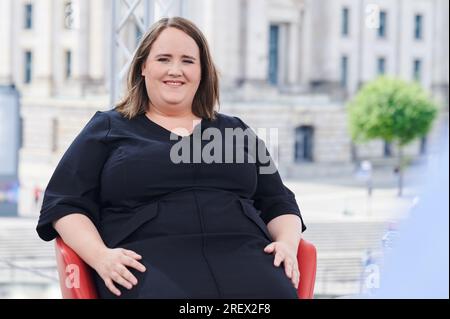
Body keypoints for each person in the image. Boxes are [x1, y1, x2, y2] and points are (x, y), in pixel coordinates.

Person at [36, 17, 306, 299]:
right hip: (147, 263)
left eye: (188, 61)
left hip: (244, 256)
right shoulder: (108, 127)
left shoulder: (235, 130)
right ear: (143, 67)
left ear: (202, 72)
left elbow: (279, 201)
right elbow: (64, 203)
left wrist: (287, 243)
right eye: (163, 59)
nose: (175, 70)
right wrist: (101, 256)